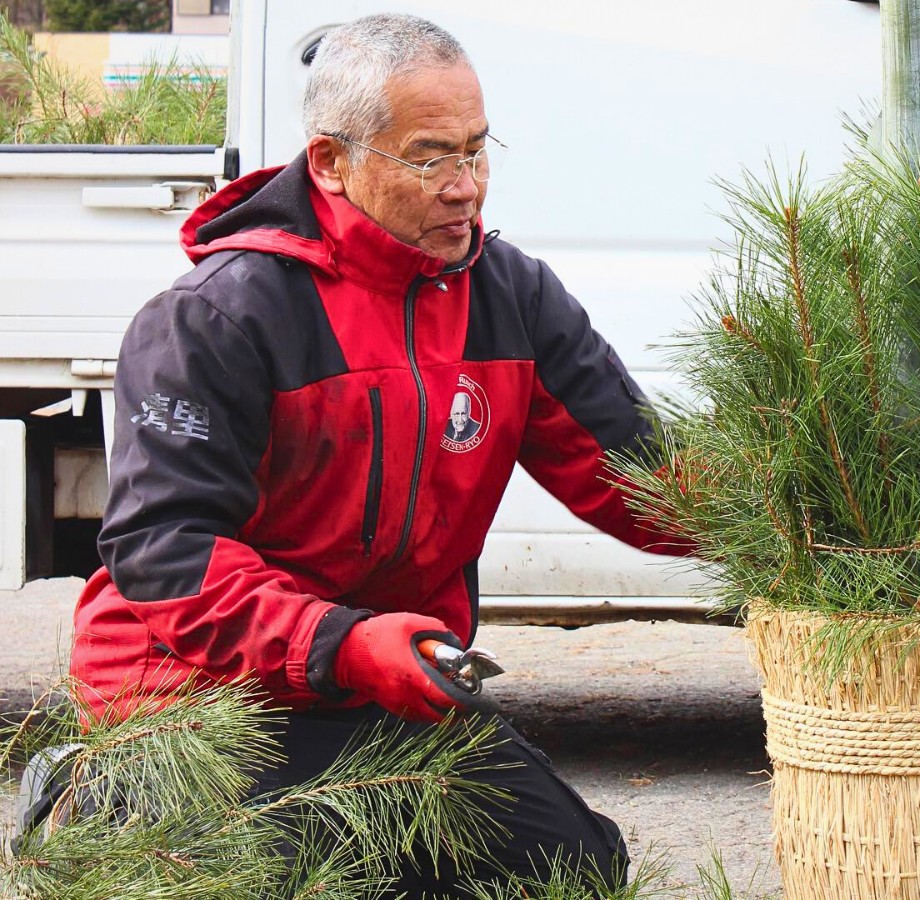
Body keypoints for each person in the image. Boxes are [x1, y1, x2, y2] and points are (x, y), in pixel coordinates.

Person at [68, 12, 686, 897]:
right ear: (330, 161)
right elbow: (166, 554)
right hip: (192, 696)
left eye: (477, 150)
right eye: (430, 159)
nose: (466, 188)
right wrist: (344, 643)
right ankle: (105, 803)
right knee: (343, 880)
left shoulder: (509, 293)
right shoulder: (219, 315)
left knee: (574, 870)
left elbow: (641, 479)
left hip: (382, 686)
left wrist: (809, 504)